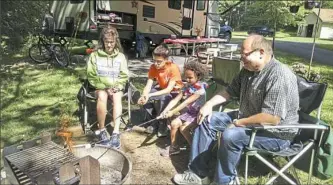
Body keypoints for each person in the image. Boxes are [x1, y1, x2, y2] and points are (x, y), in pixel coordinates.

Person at [173, 34, 300, 185]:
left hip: (275, 134)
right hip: (249, 120)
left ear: (261, 52)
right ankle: (197, 174)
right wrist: (208, 105)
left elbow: (272, 118)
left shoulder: (279, 75)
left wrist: (239, 122)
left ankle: (224, 181)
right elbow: (229, 91)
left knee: (231, 134)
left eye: (245, 54)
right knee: (207, 118)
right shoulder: (247, 70)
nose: (241, 58)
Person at [86, 24, 129, 149]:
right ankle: (102, 130)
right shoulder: (94, 55)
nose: (109, 45)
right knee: (102, 96)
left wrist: (118, 86)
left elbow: (124, 75)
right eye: (106, 42)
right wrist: (104, 87)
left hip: (116, 87)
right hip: (100, 87)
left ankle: (115, 133)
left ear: (116, 41)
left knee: (117, 98)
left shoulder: (121, 57)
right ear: (102, 41)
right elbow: (91, 75)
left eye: (111, 42)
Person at [159, 60, 208, 157]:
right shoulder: (187, 86)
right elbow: (176, 100)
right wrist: (164, 111)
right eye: (186, 77)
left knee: (184, 128)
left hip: (199, 114)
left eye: (190, 78)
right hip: (189, 113)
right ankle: (174, 148)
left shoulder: (200, 89)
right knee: (174, 124)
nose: (187, 80)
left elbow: (186, 102)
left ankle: (195, 149)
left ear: (199, 76)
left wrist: (172, 112)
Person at [137, 44, 183, 137]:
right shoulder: (153, 67)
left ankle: (162, 125)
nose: (156, 63)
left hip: (175, 93)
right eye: (154, 60)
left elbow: (168, 90)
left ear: (166, 60)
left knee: (163, 98)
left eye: (159, 61)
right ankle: (153, 122)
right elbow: (148, 84)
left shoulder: (173, 68)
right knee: (145, 97)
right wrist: (144, 95)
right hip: (162, 89)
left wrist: (149, 95)